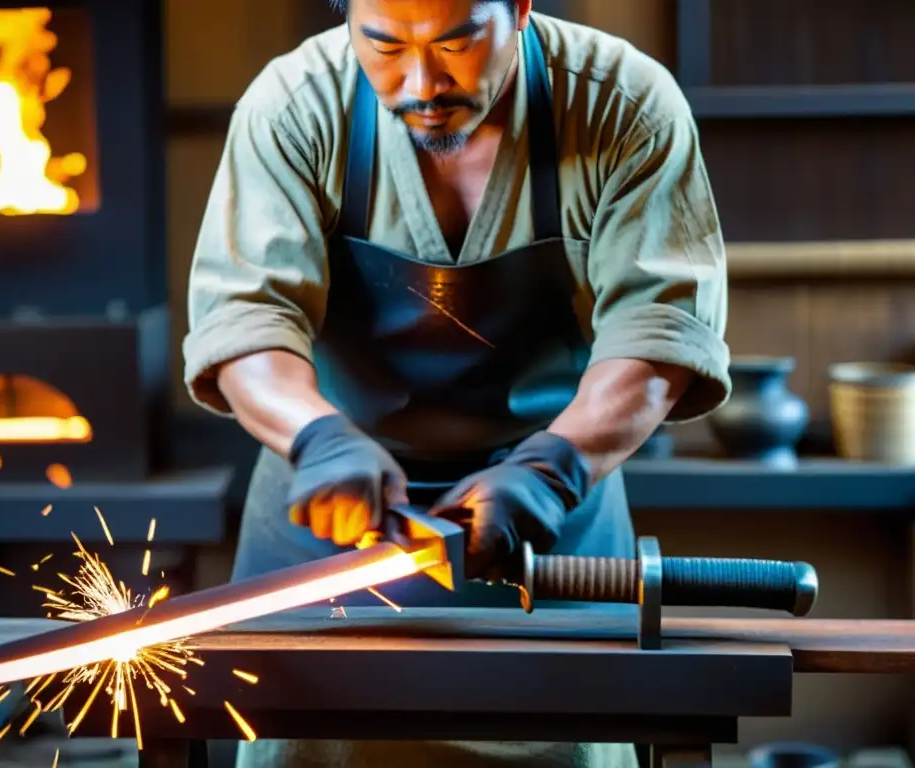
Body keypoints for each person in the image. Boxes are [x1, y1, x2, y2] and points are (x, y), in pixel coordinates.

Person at [184, 0, 730, 765]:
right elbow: (246, 322)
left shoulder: (621, 103)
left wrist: (551, 470)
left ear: (521, 8)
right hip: (328, 518)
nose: (420, 81)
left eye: (457, 41)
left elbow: (659, 336)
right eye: (382, 44)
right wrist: (320, 438)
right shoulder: (295, 104)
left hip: (550, 519)